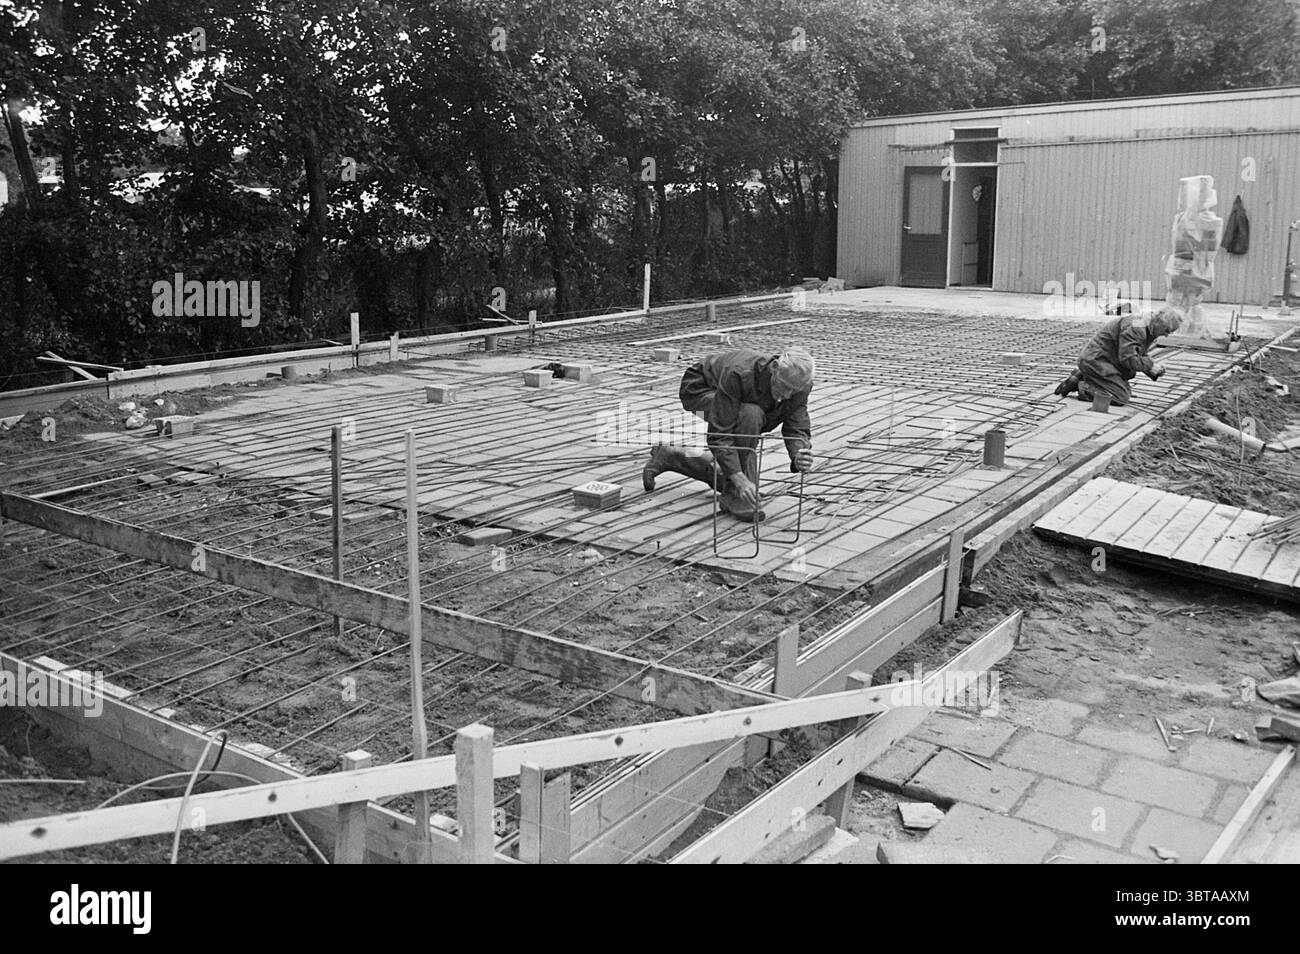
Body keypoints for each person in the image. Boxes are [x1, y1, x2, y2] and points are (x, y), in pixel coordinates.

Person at [641, 347, 815, 521]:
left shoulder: (800, 385)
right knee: (749, 415)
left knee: (749, 422)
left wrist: (798, 453)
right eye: (783, 386)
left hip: (738, 401)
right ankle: (734, 494)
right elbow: (719, 434)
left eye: (793, 391)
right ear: (774, 367)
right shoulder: (740, 373)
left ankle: (672, 457)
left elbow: (797, 424)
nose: (786, 395)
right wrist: (739, 479)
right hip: (701, 389)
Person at [1053, 309, 1182, 406]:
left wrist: (1152, 370)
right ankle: (1081, 386)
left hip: (1105, 361)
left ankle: (1082, 375)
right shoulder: (1136, 327)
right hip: (1096, 361)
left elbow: (1137, 354)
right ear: (1159, 322)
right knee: (1119, 397)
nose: (1166, 335)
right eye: (1166, 330)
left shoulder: (1145, 326)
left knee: (1123, 390)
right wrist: (1150, 365)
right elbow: (1128, 359)